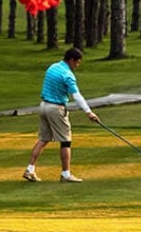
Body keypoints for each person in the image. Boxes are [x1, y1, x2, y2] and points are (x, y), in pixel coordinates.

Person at [26, 47, 99, 182]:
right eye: (77, 63)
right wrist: (89, 112)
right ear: (71, 60)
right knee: (66, 141)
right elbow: (76, 96)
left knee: (43, 139)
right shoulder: (68, 75)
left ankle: (30, 169)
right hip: (56, 108)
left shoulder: (53, 67)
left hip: (43, 106)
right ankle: (66, 174)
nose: (77, 66)